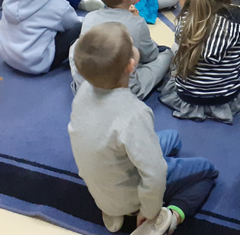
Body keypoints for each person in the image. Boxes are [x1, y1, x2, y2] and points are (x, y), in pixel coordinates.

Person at [69, 23, 218, 234]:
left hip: (101, 189)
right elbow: (155, 174)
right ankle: (167, 218)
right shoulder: (134, 114)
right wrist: (149, 209)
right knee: (207, 170)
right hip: (132, 198)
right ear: (131, 66)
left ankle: (113, 209)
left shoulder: (83, 92)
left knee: (173, 137)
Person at [69, 0, 172, 99]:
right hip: (121, 91)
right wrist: (137, 20)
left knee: (76, 45)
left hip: (86, 86)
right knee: (165, 54)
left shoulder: (89, 17)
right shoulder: (137, 24)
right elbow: (150, 56)